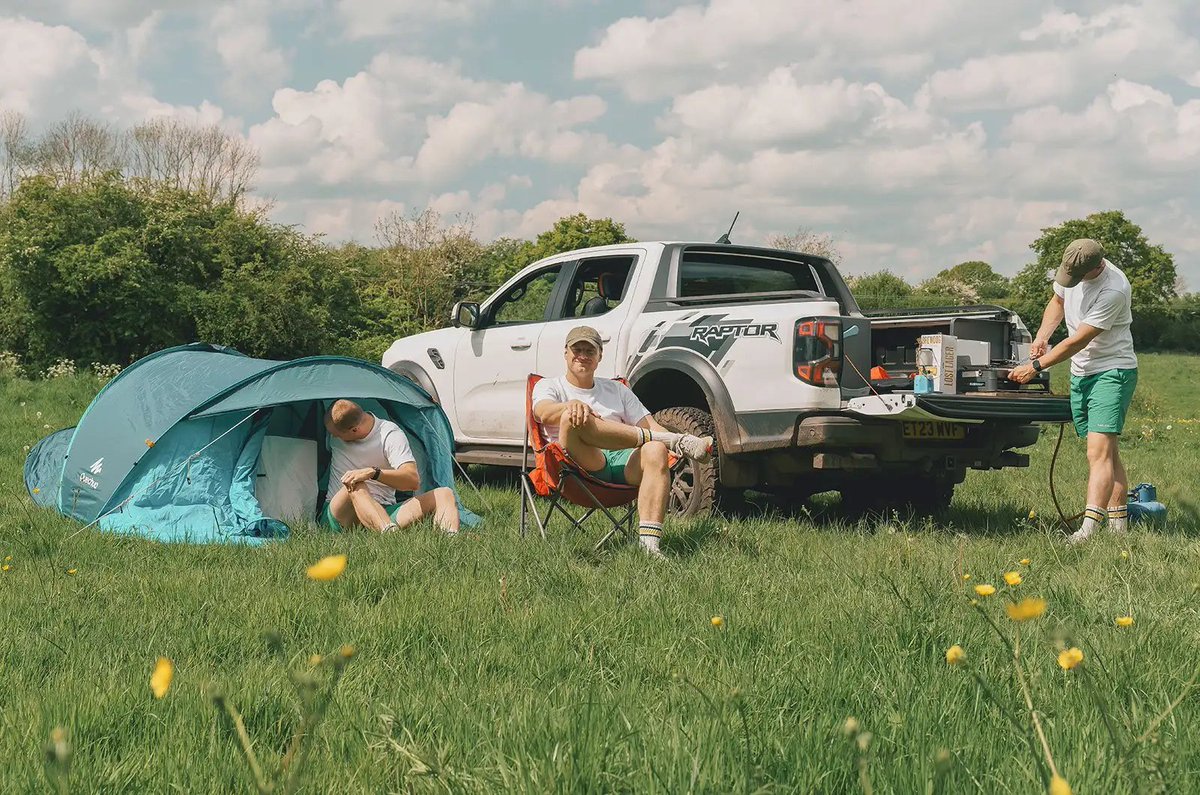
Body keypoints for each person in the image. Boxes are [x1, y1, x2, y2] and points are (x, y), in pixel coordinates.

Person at [532, 325, 713, 559]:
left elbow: (649, 426)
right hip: (576, 465)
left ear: (599, 357)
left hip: (621, 460)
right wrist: (572, 405)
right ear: (565, 352)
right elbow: (542, 412)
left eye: (590, 350)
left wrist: (662, 443)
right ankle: (676, 440)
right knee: (575, 416)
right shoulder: (549, 386)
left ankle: (649, 548)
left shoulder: (617, 389)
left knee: (656, 448)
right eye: (577, 349)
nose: (583, 355)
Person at [1009, 238, 1138, 544]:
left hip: (1111, 371)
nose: (1073, 282)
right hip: (1082, 372)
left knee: (1098, 452)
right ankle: (1119, 529)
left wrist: (1035, 366)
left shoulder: (1114, 289)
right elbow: (1057, 300)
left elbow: (1078, 341)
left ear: (1097, 266)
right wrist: (1042, 336)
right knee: (1108, 453)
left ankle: (1088, 529)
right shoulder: (1071, 269)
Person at [322, 399, 460, 534]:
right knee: (355, 482)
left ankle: (450, 539)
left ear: (354, 430)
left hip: (384, 509)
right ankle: (389, 534)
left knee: (444, 494)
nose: (334, 437)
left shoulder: (389, 434)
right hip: (342, 514)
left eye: (338, 435)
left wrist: (373, 473)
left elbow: (412, 481)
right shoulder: (333, 437)